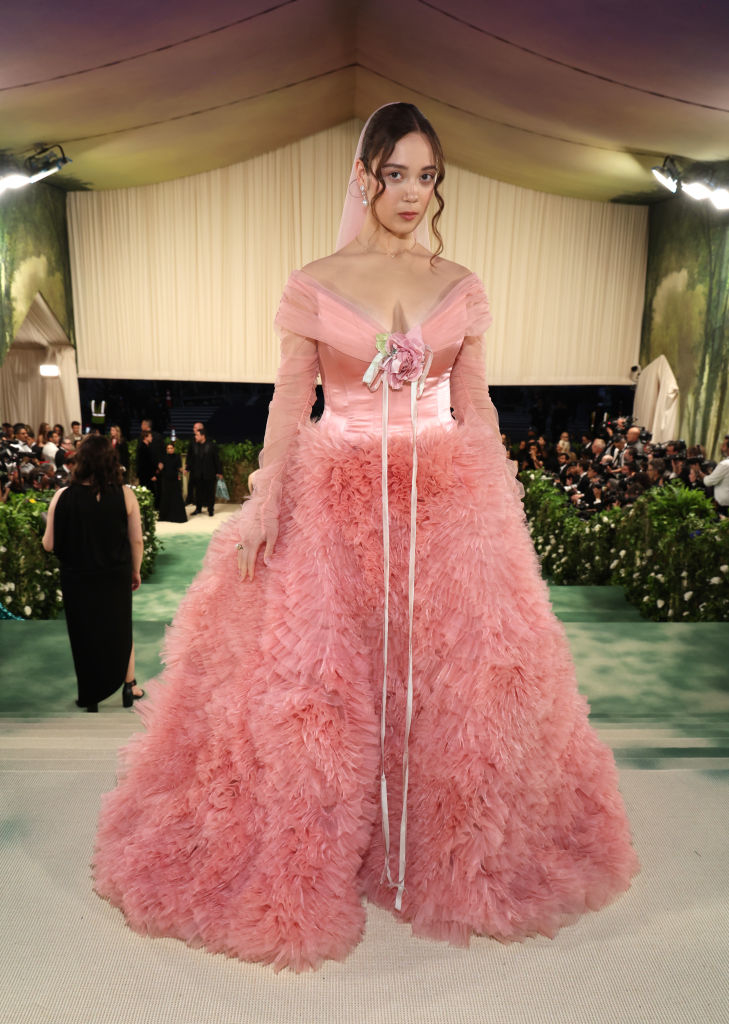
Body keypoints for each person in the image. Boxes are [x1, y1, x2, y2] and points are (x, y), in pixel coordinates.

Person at [94, 103, 637, 971]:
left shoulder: (460, 280)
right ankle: (322, 855)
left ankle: (437, 852)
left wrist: (500, 499)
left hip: (444, 500)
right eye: (396, 175)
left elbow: (477, 404)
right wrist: (266, 501)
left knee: (452, 682)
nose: (412, 193)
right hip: (335, 492)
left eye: (427, 176)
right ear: (364, 177)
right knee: (321, 685)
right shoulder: (314, 279)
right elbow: (287, 400)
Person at [42, 434, 145, 712]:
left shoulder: (62, 496)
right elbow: (136, 540)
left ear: (80, 461)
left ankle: (91, 695)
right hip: (115, 574)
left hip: (77, 577)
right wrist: (135, 571)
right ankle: (129, 686)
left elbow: (49, 544)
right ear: (112, 460)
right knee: (120, 628)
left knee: (84, 634)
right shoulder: (125, 494)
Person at [187, 423, 222, 516]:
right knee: (198, 492)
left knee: (210, 492)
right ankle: (198, 508)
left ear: (203, 436)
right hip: (198, 473)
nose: (195, 437)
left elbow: (217, 459)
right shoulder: (195, 445)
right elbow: (191, 458)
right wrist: (187, 468)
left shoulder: (211, 445)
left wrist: (219, 472)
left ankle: (211, 509)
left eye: (197, 435)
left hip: (209, 473)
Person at [157, 441, 187, 523]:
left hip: (174, 480)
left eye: (171, 448)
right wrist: (160, 468)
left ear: (173, 449)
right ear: (166, 449)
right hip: (166, 480)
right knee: (166, 497)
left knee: (176, 497)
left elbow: (179, 467)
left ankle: (177, 517)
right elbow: (161, 468)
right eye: (168, 448)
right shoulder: (163, 457)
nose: (170, 450)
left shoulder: (177, 457)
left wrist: (183, 471)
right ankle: (165, 517)